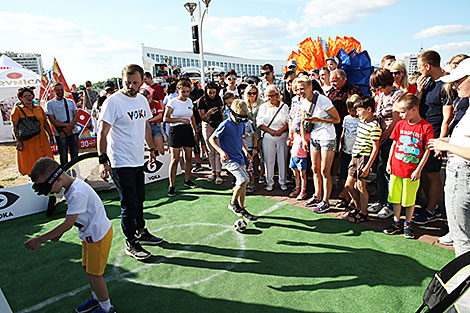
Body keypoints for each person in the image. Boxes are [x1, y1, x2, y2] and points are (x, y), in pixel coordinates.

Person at [25, 157, 115, 313]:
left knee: (95, 275)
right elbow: (76, 215)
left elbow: (68, 222)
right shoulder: (69, 188)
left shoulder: (77, 192)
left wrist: (40, 239)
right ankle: (96, 298)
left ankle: (107, 308)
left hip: (98, 236)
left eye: (49, 188)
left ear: (58, 179)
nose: (50, 193)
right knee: (88, 269)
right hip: (89, 236)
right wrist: (58, 234)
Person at [98, 64, 162, 261]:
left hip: (136, 159)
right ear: (121, 80)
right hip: (119, 160)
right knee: (128, 202)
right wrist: (102, 160)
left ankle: (141, 231)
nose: (131, 86)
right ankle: (130, 242)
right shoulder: (113, 102)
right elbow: (102, 132)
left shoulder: (142, 100)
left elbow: (145, 128)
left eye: (135, 82)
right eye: (127, 82)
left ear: (142, 80)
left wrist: (151, 149)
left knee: (140, 198)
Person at [430, 58, 470, 256]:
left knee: (462, 240)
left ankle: (463, 283)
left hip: (463, 175)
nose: (454, 86)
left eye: (459, 80)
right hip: (460, 174)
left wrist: (444, 145)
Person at [383, 94, 433, 239]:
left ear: (414, 109)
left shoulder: (426, 127)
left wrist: (419, 169)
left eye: (403, 112)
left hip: (411, 171)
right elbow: (394, 143)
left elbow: (427, 150)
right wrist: (389, 162)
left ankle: (408, 223)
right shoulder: (399, 124)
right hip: (396, 169)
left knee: (409, 200)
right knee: (395, 198)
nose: (400, 115)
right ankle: (396, 222)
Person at [413, 50, 455, 224]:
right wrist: (419, 90)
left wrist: (440, 141)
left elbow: (448, 116)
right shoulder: (426, 83)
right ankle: (429, 206)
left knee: (432, 173)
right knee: (424, 172)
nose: (420, 70)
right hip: (422, 132)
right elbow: (415, 104)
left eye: (421, 67)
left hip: (435, 132)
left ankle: (432, 209)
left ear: (428, 66)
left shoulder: (446, 85)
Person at [209, 99, 256, 221]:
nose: (242, 121)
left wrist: (245, 152)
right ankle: (233, 203)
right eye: (240, 118)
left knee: (244, 184)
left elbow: (240, 139)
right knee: (243, 180)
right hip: (229, 159)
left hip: (239, 157)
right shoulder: (225, 124)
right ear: (233, 113)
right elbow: (211, 139)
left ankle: (241, 208)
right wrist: (221, 151)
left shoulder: (240, 124)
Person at [367, 69, 404, 219]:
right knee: (380, 170)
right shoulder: (381, 95)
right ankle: (381, 200)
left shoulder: (398, 95)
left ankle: (390, 203)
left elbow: (396, 120)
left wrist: (385, 135)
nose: (377, 90)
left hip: (392, 137)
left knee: (390, 172)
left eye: (378, 87)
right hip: (380, 135)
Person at [299, 76, 340, 212]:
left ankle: (326, 201)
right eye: (298, 89)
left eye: (302, 89)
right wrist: (304, 139)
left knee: (325, 170)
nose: (300, 92)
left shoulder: (323, 100)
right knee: (315, 168)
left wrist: (319, 119)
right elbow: (302, 122)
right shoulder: (303, 101)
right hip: (314, 138)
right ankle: (317, 195)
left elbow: (337, 119)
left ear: (310, 87)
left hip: (327, 137)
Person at [344, 96, 381, 223]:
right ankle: (359, 207)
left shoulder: (374, 126)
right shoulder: (362, 122)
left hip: (364, 157)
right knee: (349, 185)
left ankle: (364, 213)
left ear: (369, 109)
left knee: (361, 186)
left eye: (359, 110)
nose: (357, 113)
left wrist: (367, 167)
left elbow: (375, 148)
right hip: (355, 156)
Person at [164, 79, 198, 197]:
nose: (185, 94)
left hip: (187, 131)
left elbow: (192, 117)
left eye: (188, 92)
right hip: (176, 131)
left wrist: (195, 131)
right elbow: (166, 118)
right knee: (175, 159)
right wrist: (180, 120)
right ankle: (171, 185)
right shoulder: (172, 102)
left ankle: (187, 180)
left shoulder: (189, 101)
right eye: (183, 91)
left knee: (189, 157)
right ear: (178, 90)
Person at [10, 87, 54, 175]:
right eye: (25, 96)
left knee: (45, 161)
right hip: (28, 141)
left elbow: (45, 122)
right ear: (20, 98)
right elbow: (14, 126)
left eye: (30, 95)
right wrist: (17, 140)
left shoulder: (38, 108)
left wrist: (50, 135)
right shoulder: (17, 110)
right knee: (31, 163)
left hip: (41, 138)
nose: (28, 98)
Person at [257, 85, 289, 191]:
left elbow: (289, 122)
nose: (271, 98)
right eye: (269, 96)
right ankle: (269, 182)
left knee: (282, 159)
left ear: (277, 95)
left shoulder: (284, 106)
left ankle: (282, 181)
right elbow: (259, 123)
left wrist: (280, 131)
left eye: (273, 95)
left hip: (282, 136)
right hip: (268, 136)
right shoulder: (263, 107)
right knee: (268, 161)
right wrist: (271, 131)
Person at [46, 82, 80, 166]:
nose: (60, 92)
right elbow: (52, 120)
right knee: (63, 155)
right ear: (53, 91)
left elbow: (76, 115)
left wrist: (71, 126)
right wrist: (67, 126)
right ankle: (65, 175)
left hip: (73, 131)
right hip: (60, 132)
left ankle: (77, 175)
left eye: (61, 90)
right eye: (57, 90)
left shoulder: (70, 102)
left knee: (75, 155)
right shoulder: (50, 104)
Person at [337, 94, 360, 209]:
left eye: (355, 110)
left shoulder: (361, 120)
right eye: (350, 110)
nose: (353, 113)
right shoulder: (347, 118)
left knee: (354, 178)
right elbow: (343, 132)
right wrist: (340, 145)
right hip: (346, 150)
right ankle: (346, 197)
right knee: (344, 176)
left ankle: (353, 199)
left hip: (356, 153)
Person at [198, 82, 224, 183]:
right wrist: (209, 113)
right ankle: (213, 171)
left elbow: (221, 113)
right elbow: (202, 118)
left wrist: (222, 125)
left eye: (214, 92)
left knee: (218, 149)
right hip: (207, 124)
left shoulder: (218, 99)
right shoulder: (202, 101)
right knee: (210, 150)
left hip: (218, 125)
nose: (212, 95)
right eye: (210, 93)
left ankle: (218, 172)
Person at [287, 102, 309, 200]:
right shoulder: (295, 135)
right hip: (294, 156)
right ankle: (297, 188)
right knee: (295, 173)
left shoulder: (306, 136)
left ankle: (303, 190)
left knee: (302, 174)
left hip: (302, 157)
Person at [140, 89, 165, 155]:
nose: (149, 100)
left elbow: (160, 115)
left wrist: (149, 120)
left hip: (155, 125)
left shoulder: (156, 103)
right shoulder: (141, 106)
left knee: (161, 149)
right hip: (146, 127)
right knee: (152, 149)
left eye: (150, 98)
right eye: (147, 99)